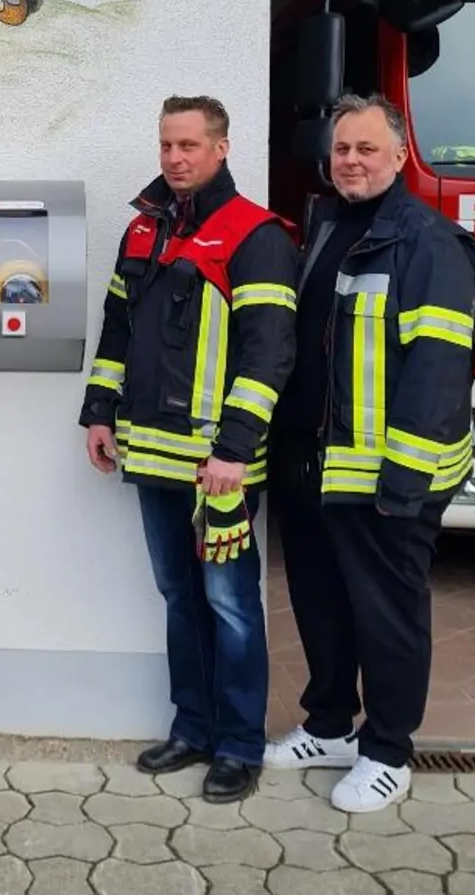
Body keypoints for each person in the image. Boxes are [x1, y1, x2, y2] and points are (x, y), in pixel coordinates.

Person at [263, 93, 475, 813]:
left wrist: (405, 481)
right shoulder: (325, 225)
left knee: (386, 617)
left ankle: (388, 749)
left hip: (388, 478)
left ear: (397, 155)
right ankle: (329, 724)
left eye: (365, 149)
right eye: (342, 149)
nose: (351, 161)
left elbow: (437, 375)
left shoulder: (429, 244)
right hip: (313, 465)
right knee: (321, 606)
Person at [78, 95, 299, 804]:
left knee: (230, 605)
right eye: (167, 144)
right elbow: (117, 328)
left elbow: (269, 354)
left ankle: (238, 746)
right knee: (180, 596)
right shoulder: (143, 228)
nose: (175, 158)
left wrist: (235, 449)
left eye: (190, 146)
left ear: (222, 149)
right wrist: (99, 412)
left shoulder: (255, 236)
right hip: (151, 455)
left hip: (219, 468)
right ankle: (193, 728)